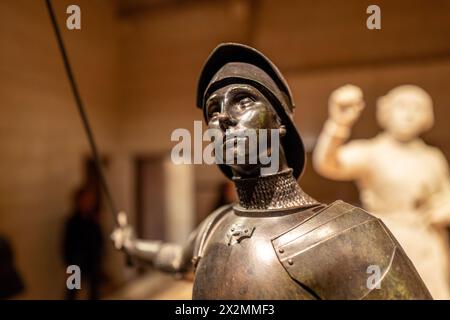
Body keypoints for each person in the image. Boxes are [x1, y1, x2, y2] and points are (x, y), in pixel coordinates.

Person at [111, 43, 431, 299]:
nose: (222, 118)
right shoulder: (216, 226)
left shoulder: (347, 234)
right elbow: (176, 259)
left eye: (243, 101)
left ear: (279, 124)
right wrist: (130, 244)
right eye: (213, 109)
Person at [313, 84, 450, 299]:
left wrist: (443, 211)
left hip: (427, 243)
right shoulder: (373, 152)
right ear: (386, 112)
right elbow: (328, 164)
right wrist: (339, 124)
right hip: (385, 238)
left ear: (427, 116)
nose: (409, 114)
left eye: (417, 107)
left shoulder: (432, 157)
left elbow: (446, 195)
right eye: (402, 106)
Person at [62, 184, 104, 300]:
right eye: (85, 200)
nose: (88, 203)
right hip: (76, 262)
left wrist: (100, 258)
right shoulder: (72, 221)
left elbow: (99, 241)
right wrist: (69, 264)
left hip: (93, 262)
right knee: (72, 291)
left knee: (94, 292)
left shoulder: (93, 220)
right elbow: (67, 244)